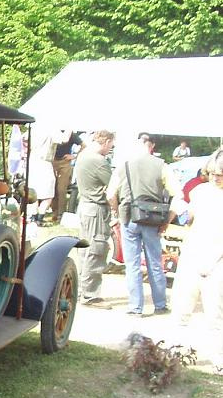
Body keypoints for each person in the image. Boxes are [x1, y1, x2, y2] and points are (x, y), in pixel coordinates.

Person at [106, 133, 184, 317]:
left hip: (129, 218)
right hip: (153, 220)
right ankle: (160, 305)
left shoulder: (124, 165)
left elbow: (110, 195)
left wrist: (117, 212)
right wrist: (167, 220)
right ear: (152, 146)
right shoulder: (162, 166)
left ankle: (135, 307)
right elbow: (179, 196)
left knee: (132, 264)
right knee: (155, 263)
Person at [171, 149, 223, 331]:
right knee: (181, 309)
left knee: (215, 313)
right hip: (193, 253)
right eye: (212, 173)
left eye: (220, 175)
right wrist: (181, 209)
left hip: (218, 259)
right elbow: (189, 217)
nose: (215, 178)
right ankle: (175, 345)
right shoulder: (199, 191)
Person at [75, 130, 115, 308]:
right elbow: (113, 186)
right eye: (111, 144)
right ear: (106, 142)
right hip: (96, 209)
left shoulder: (84, 155)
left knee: (84, 251)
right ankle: (90, 295)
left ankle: (80, 290)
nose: (111, 148)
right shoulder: (98, 161)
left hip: (85, 206)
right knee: (96, 250)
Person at [51, 130, 85, 222]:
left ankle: (61, 214)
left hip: (64, 162)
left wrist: (74, 156)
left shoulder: (71, 134)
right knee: (53, 188)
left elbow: (84, 145)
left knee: (61, 189)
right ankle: (54, 212)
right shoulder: (53, 132)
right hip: (52, 161)